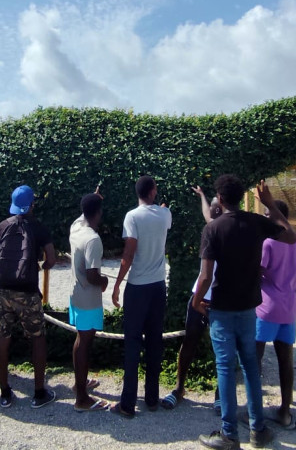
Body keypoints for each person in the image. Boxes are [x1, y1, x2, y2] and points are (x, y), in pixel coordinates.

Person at [192, 175, 296, 450]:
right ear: (241, 197)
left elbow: (205, 276)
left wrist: (196, 301)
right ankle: (258, 430)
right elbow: (291, 236)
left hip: (223, 309)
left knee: (225, 368)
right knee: (251, 367)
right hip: (249, 308)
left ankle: (229, 434)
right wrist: (271, 205)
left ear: (221, 198)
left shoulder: (213, 228)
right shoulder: (255, 222)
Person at [0, 184, 57, 409]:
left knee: (3, 338)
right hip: (28, 292)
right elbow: (52, 258)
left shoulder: (2, 226)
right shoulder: (38, 227)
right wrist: (39, 266)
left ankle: (5, 393)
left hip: (4, 292)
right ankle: (39, 393)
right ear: (32, 204)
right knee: (37, 338)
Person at [110, 175, 172, 418]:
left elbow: (129, 252)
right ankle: (152, 398)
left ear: (138, 193)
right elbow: (164, 216)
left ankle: (127, 402)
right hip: (158, 285)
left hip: (137, 286)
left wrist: (117, 283)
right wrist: (163, 209)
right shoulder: (165, 215)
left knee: (133, 343)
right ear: (153, 191)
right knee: (155, 341)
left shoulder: (132, 217)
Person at [256, 199, 296, 430]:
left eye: (266, 213)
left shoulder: (268, 243)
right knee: (286, 361)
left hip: (266, 307)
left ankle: (256, 413)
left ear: (275, 216)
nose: (263, 217)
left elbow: (257, 271)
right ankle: (285, 411)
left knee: (256, 359)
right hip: (289, 307)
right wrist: (293, 275)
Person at [161, 185, 223, 412]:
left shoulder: (221, 231)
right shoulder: (214, 227)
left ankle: (220, 393)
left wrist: (197, 301)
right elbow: (207, 213)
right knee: (190, 343)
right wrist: (203, 196)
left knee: (220, 349)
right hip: (203, 297)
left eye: (217, 208)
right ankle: (180, 388)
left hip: (213, 300)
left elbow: (207, 276)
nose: (213, 212)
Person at [68, 192, 110, 411]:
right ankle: (82, 399)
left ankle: (79, 385)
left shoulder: (76, 229)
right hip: (89, 299)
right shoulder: (93, 239)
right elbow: (93, 275)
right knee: (85, 343)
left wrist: (93, 196)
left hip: (75, 295)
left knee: (80, 339)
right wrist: (104, 281)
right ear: (98, 213)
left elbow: (81, 215)